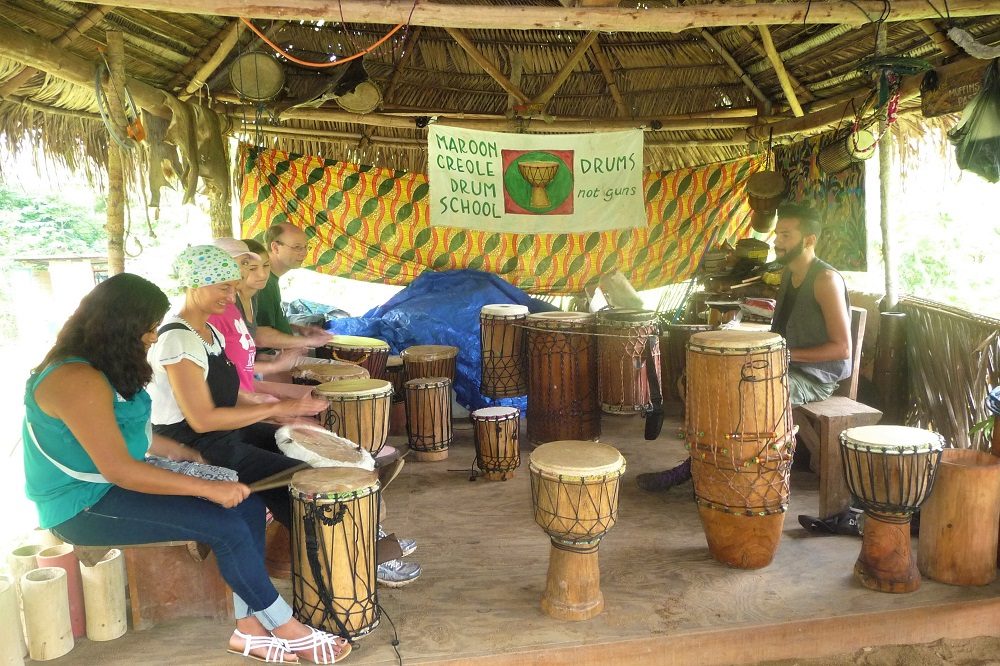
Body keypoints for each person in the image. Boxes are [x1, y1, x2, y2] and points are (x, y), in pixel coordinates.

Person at [22, 273, 350, 663]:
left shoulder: (100, 367)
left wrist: (181, 453)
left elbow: (132, 435)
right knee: (226, 525)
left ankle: (248, 632)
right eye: (147, 328)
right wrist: (208, 488)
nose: (151, 336)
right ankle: (286, 627)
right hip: (82, 505)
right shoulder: (75, 378)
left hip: (111, 486)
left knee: (245, 506)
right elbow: (121, 471)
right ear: (118, 325)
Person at [637, 204, 853, 500]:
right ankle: (706, 466)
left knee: (746, 392)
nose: (777, 241)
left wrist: (786, 355)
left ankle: (737, 473)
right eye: (778, 234)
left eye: (786, 235)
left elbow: (842, 348)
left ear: (809, 240)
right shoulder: (789, 275)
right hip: (781, 364)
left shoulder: (825, 280)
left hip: (815, 377)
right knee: (712, 379)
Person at [147, 245, 328, 528]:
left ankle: (310, 545)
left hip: (220, 432)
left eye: (233, 288)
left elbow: (226, 394)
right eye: (223, 288)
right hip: (191, 441)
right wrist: (278, 406)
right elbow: (203, 419)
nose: (231, 297)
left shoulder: (211, 332)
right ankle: (322, 554)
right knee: (302, 476)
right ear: (195, 283)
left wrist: (281, 416)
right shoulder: (177, 340)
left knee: (295, 442)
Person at [208, 238, 305, 391]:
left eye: (246, 265)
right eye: (245, 265)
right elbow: (223, 376)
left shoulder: (234, 307)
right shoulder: (213, 315)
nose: (244, 272)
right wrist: (274, 366)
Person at [256, 223, 332, 349]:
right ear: (275, 248)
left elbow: (270, 324)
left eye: (306, 247)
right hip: (269, 359)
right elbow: (260, 335)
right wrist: (306, 341)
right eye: (297, 247)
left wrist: (298, 329)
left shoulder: (272, 279)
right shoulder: (263, 283)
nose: (304, 253)